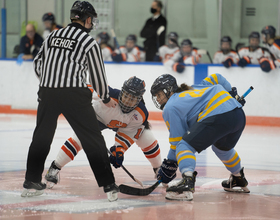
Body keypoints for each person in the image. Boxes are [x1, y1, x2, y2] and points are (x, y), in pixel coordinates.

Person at [21, 1, 119, 202]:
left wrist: (48, 82)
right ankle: (108, 185)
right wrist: (105, 97)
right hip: (74, 93)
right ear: (88, 19)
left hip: (47, 92)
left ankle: (31, 181)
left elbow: (37, 62)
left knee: (42, 136)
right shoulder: (88, 42)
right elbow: (98, 76)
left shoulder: (52, 36)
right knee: (92, 138)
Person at [45, 76, 162, 188]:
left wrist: (119, 151)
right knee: (79, 139)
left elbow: (127, 134)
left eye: (132, 99)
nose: (127, 101)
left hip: (121, 126)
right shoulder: (106, 93)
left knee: (147, 137)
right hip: (95, 119)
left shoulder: (140, 114)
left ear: (139, 100)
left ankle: (158, 170)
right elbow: (82, 88)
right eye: (126, 96)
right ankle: (55, 167)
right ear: (122, 91)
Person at [150, 73, 250, 201]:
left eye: (159, 95)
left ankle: (187, 182)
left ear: (169, 91)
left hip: (218, 115)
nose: (157, 99)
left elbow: (178, 143)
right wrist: (232, 94)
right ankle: (238, 178)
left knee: (184, 145)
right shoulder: (195, 88)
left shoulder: (170, 107)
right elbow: (217, 78)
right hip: (238, 113)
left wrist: (169, 166)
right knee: (222, 148)